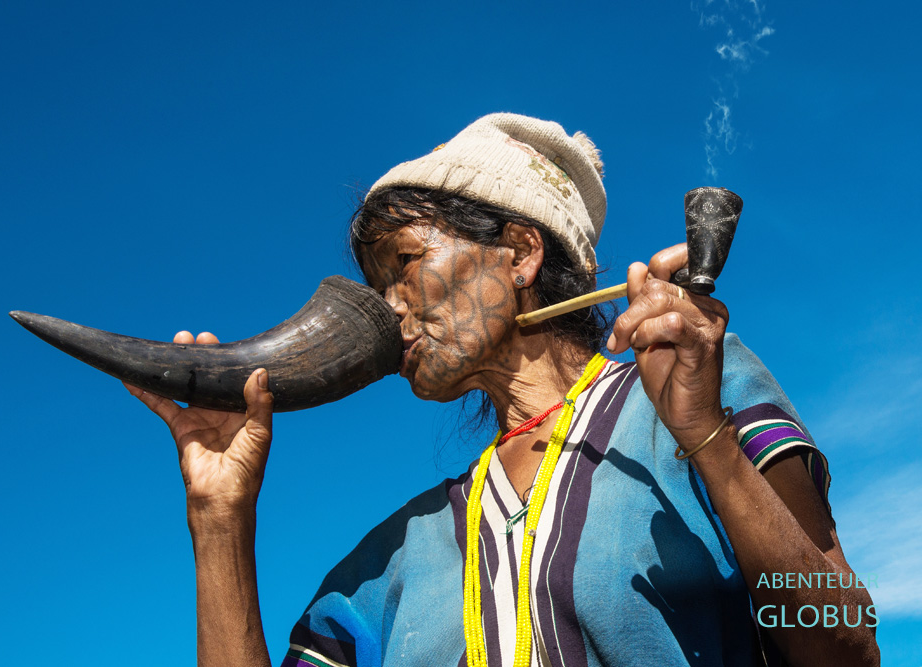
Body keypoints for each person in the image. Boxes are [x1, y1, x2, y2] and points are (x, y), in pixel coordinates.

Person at [125, 114, 880, 666]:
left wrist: (709, 435)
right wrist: (219, 517)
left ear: (519, 252)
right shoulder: (390, 563)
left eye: (405, 262)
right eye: (375, 282)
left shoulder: (696, 391)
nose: (387, 306)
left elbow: (846, 644)